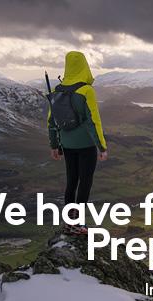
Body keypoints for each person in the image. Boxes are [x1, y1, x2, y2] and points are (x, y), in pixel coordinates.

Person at [47, 51, 107, 235]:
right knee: (85, 182)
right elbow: (93, 121)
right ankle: (78, 224)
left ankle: (69, 222)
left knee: (71, 181)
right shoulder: (86, 90)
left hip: (67, 144)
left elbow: (51, 121)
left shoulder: (57, 91)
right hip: (86, 144)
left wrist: (54, 145)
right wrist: (101, 146)